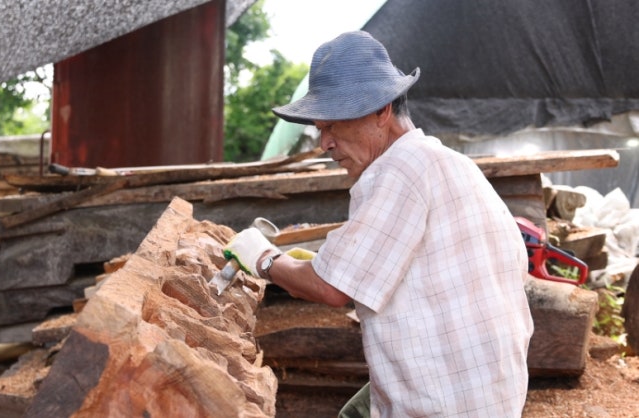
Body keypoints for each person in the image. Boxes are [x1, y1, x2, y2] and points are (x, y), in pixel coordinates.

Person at [224, 31, 533, 417]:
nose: (324, 143)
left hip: (446, 400)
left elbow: (331, 288)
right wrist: (317, 261)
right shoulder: (449, 163)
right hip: (489, 388)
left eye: (333, 125)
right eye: (320, 128)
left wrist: (264, 258)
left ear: (381, 112)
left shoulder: (398, 170)